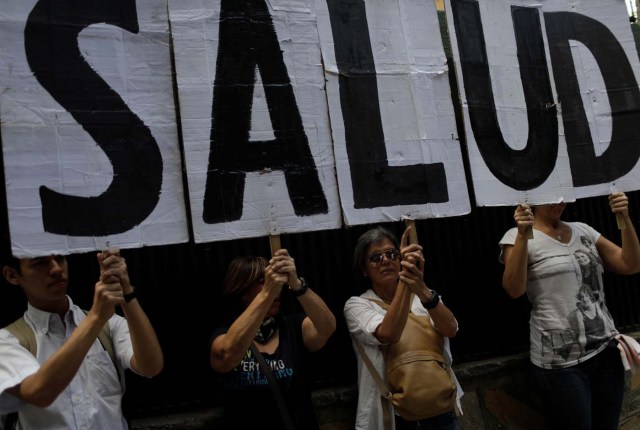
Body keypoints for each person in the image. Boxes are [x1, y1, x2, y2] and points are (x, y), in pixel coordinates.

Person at [500, 192, 640, 430]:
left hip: (605, 350)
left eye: (563, 195)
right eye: (551, 196)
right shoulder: (516, 237)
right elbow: (514, 289)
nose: (559, 201)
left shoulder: (583, 230)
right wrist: (523, 234)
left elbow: (631, 263)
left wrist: (624, 218)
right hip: (561, 363)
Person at [0, 248, 164, 429]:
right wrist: (96, 317)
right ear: (12, 275)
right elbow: (40, 392)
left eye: (60, 258)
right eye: (40, 263)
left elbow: (151, 367)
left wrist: (126, 291)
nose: (56, 269)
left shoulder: (107, 326)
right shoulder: (8, 340)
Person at [344, 225, 463, 430]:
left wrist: (423, 290)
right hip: (394, 417)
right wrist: (406, 282)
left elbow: (452, 329)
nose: (386, 260)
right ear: (364, 269)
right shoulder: (357, 305)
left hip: (441, 409)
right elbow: (388, 333)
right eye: (376, 257)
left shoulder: (423, 297)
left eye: (392, 254)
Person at [209, 248, 336, 430]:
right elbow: (227, 354)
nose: (276, 288)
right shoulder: (223, 334)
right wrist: (267, 294)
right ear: (242, 292)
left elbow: (327, 327)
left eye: (275, 282)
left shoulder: (293, 328)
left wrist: (297, 284)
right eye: (263, 282)